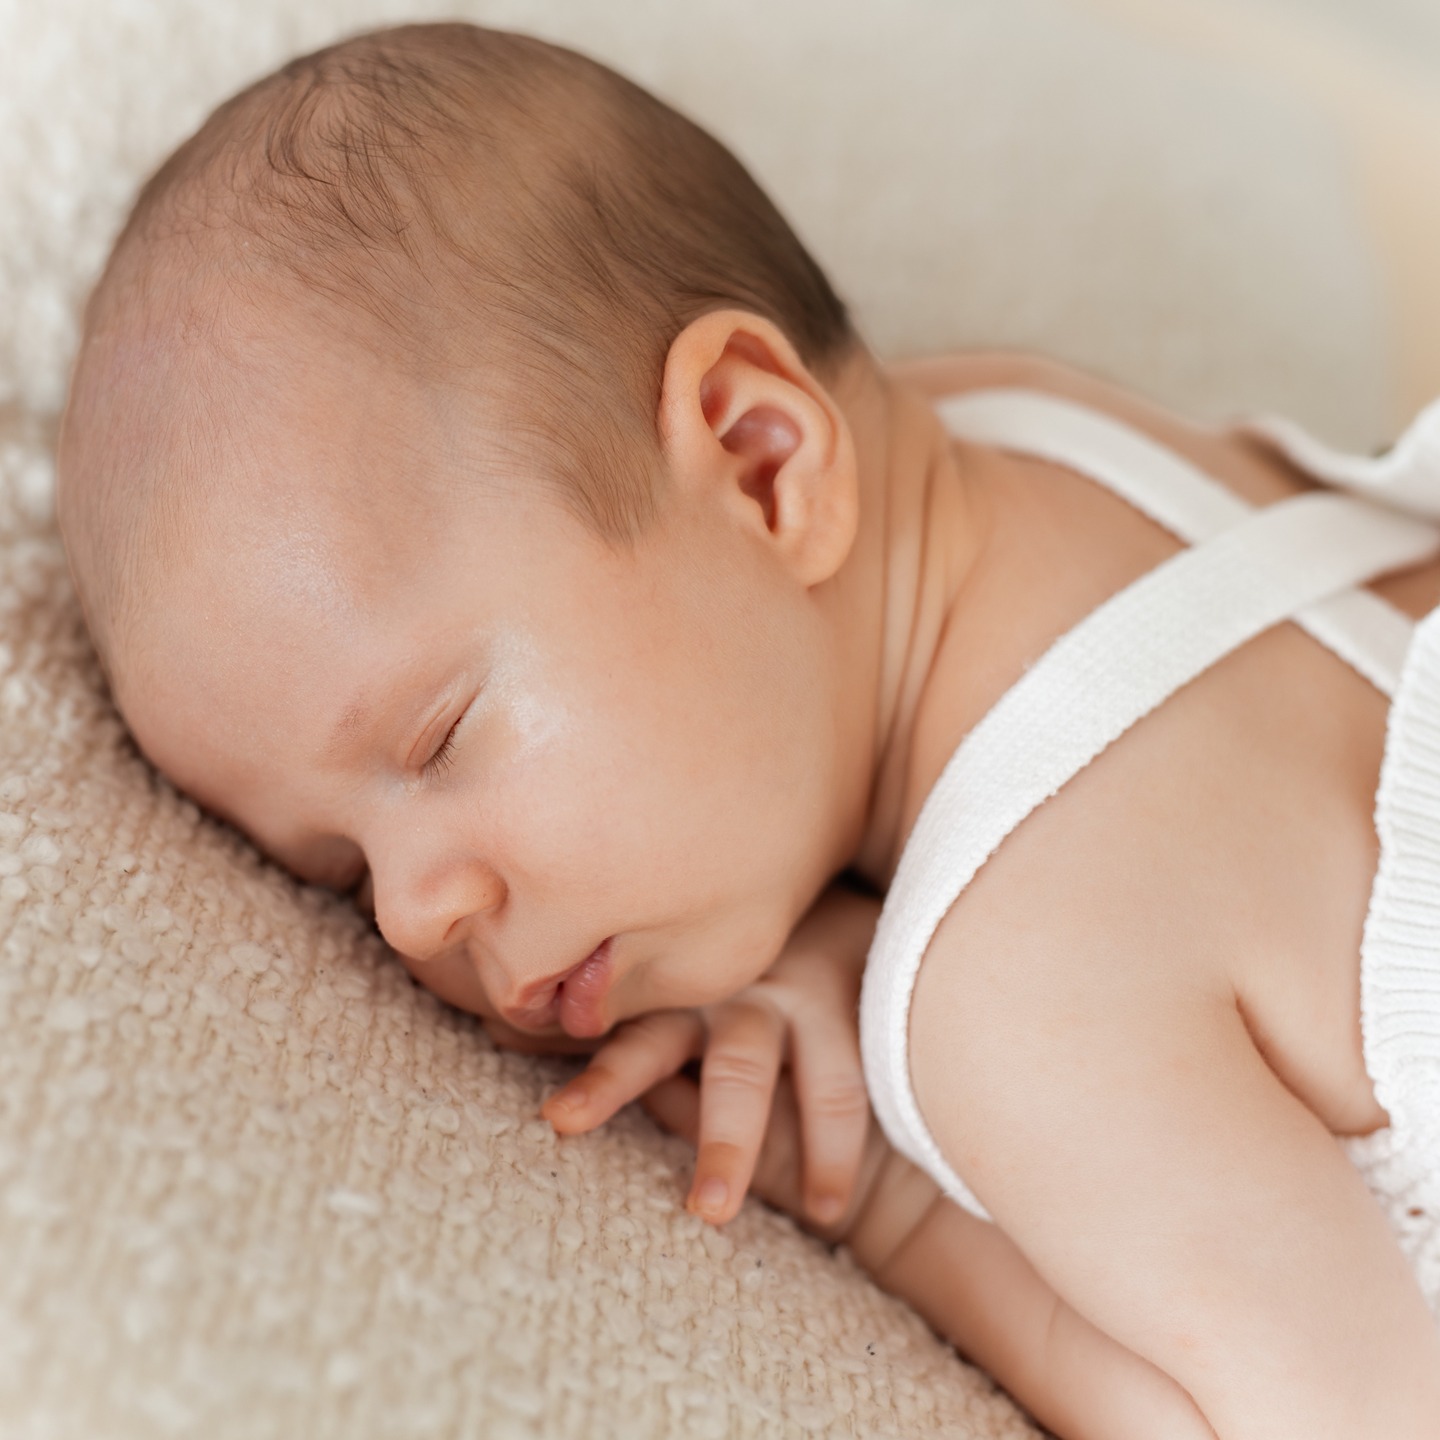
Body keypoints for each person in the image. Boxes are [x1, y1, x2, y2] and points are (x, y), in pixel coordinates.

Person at [53, 21, 1440, 1439]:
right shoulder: (1016, 419)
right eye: (339, 871)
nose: (414, 919)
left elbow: (1353, 1412)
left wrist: (896, 1194)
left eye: (440, 737)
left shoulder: (1015, 1001)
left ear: (764, 464)